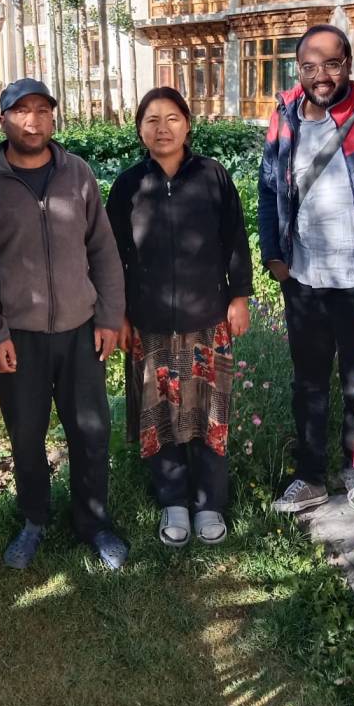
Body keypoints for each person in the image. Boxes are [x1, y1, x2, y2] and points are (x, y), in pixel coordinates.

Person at [0, 78, 129, 570]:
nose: (33, 120)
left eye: (42, 110)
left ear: (54, 118)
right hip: (19, 338)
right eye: (21, 111)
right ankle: (34, 519)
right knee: (26, 434)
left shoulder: (77, 174)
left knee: (91, 431)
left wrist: (109, 316)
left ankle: (94, 523)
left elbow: (103, 248)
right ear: (3, 120)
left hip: (80, 331)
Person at [106, 87, 252, 546]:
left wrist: (240, 297)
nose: (162, 127)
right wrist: (120, 315)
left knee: (209, 415)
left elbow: (235, 240)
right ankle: (173, 500)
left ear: (188, 124)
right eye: (151, 119)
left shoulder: (212, 176)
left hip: (207, 320)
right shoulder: (129, 185)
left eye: (172, 118)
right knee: (162, 416)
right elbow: (112, 257)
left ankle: (209, 503)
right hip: (149, 325)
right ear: (139, 129)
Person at [259, 25, 354, 515]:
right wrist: (274, 255)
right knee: (308, 381)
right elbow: (269, 190)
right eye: (310, 66)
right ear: (299, 69)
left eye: (331, 63)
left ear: (349, 65)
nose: (321, 75)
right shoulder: (284, 119)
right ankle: (310, 475)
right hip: (304, 279)